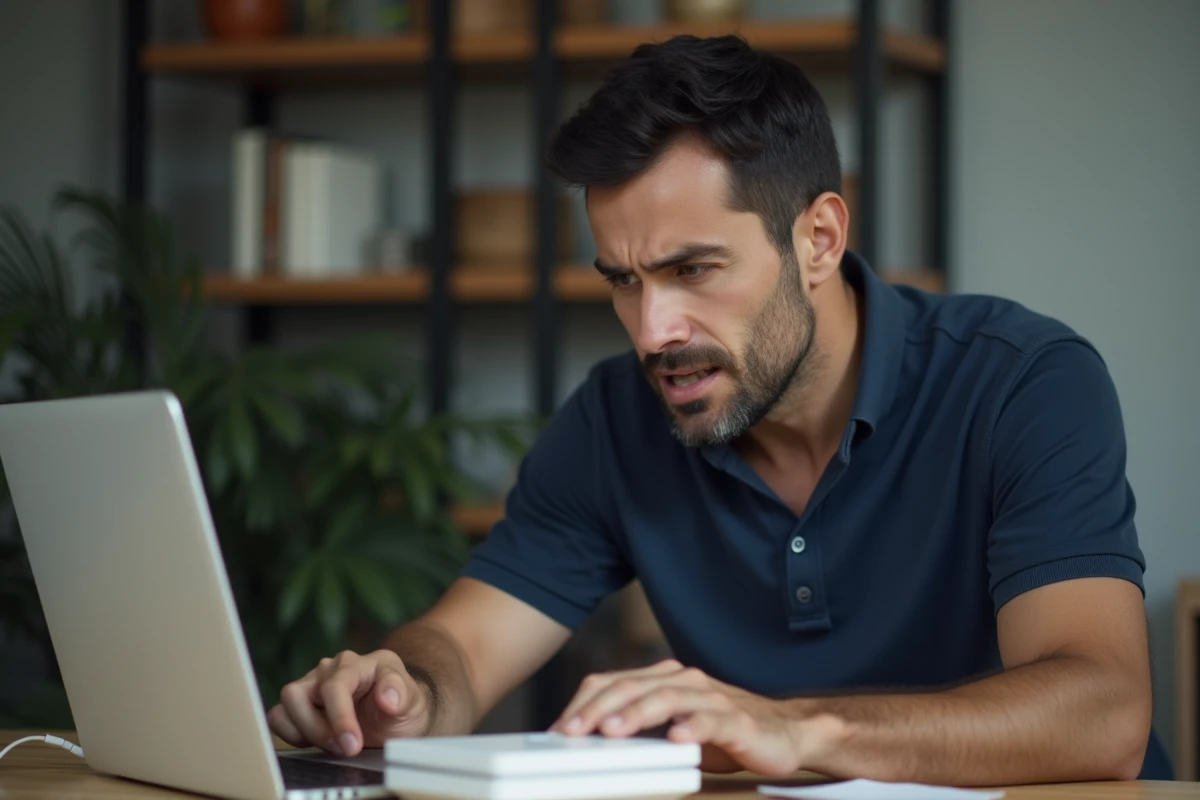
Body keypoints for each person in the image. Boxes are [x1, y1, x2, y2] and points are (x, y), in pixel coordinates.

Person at [266, 34, 1171, 784]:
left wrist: (797, 730)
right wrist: (407, 695)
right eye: (624, 281)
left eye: (692, 269)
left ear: (819, 238)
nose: (653, 331)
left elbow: (1103, 712)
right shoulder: (615, 419)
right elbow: (463, 648)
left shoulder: (1022, 382)